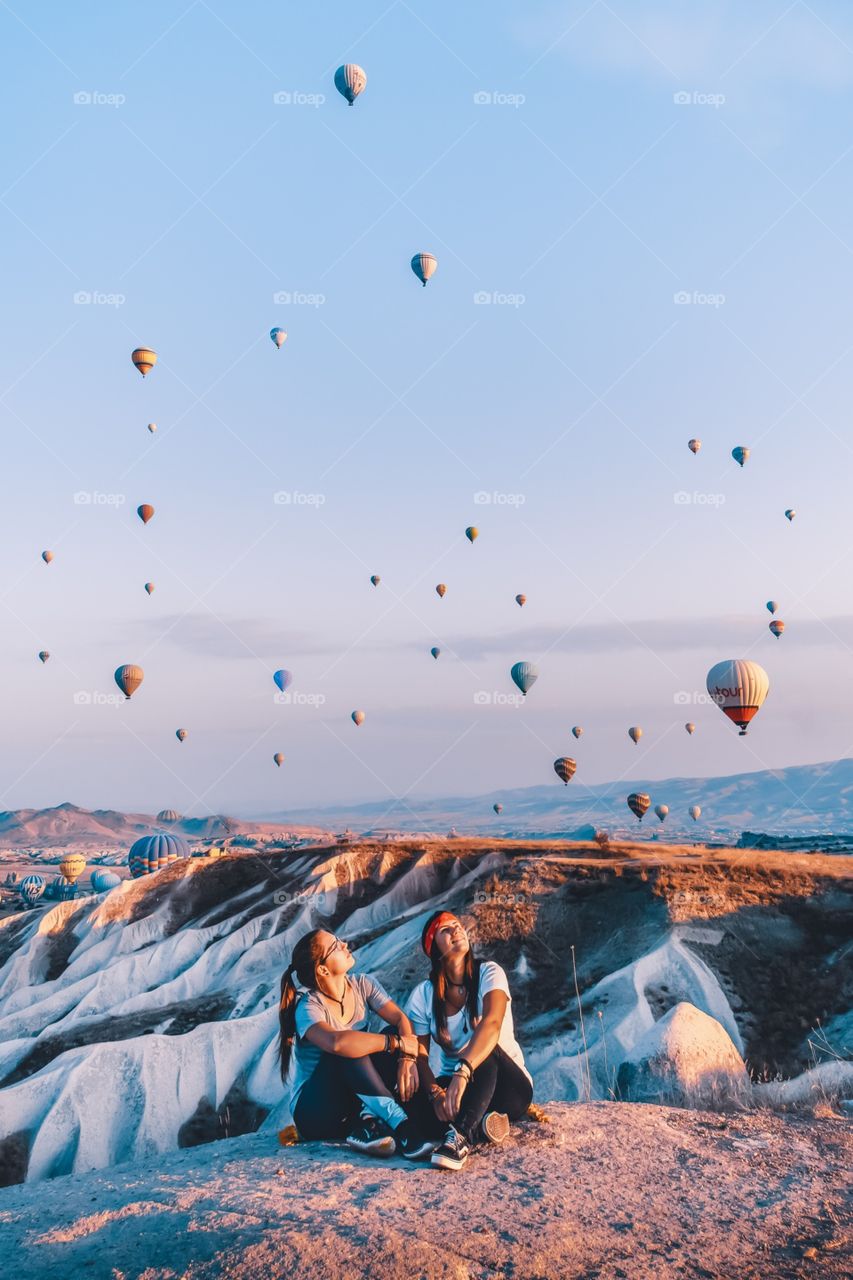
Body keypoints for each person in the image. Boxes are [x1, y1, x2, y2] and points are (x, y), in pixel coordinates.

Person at [277, 928, 434, 1159]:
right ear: (322, 969)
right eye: (335, 945)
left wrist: (407, 1058)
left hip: (353, 1098)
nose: (344, 944)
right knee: (347, 1047)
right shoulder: (308, 1007)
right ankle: (402, 1126)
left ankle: (365, 1124)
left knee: (386, 1035)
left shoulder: (363, 984)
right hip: (314, 1113)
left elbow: (401, 1020)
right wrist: (395, 1043)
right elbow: (336, 1043)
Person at [405, 910, 533, 1171]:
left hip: (509, 1085)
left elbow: (492, 1024)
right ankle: (484, 1124)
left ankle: (460, 1136)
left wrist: (463, 1072)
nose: (456, 930)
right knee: (413, 1103)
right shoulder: (423, 995)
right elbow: (420, 1055)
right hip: (460, 1088)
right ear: (434, 949)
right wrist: (435, 1094)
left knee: (485, 1046)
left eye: (457, 925)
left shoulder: (489, 972)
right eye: (445, 930)